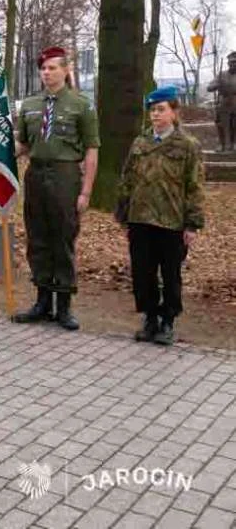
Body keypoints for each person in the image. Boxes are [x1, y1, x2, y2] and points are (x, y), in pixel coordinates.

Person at [13, 46, 100, 330]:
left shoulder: (81, 105)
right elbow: (24, 145)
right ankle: (41, 302)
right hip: (36, 174)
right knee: (37, 238)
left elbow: (91, 151)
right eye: (43, 68)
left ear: (65, 70)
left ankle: (63, 306)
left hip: (65, 177)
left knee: (62, 240)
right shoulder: (29, 105)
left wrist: (85, 191)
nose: (47, 73)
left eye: (52, 68)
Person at [117, 86, 205, 346]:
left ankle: (168, 321)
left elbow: (195, 186)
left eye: (161, 109)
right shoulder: (140, 142)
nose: (155, 115)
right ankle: (150, 318)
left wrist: (192, 224)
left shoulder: (188, 145)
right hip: (141, 219)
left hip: (172, 221)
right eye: (152, 110)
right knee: (143, 273)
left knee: (170, 274)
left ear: (174, 112)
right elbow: (127, 178)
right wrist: (123, 212)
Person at [207, 52, 236, 152]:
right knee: (222, 125)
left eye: (235, 62)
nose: (234, 64)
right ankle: (222, 144)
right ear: (228, 63)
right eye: (232, 62)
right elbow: (210, 87)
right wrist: (215, 85)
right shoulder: (221, 75)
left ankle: (234, 143)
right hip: (224, 103)